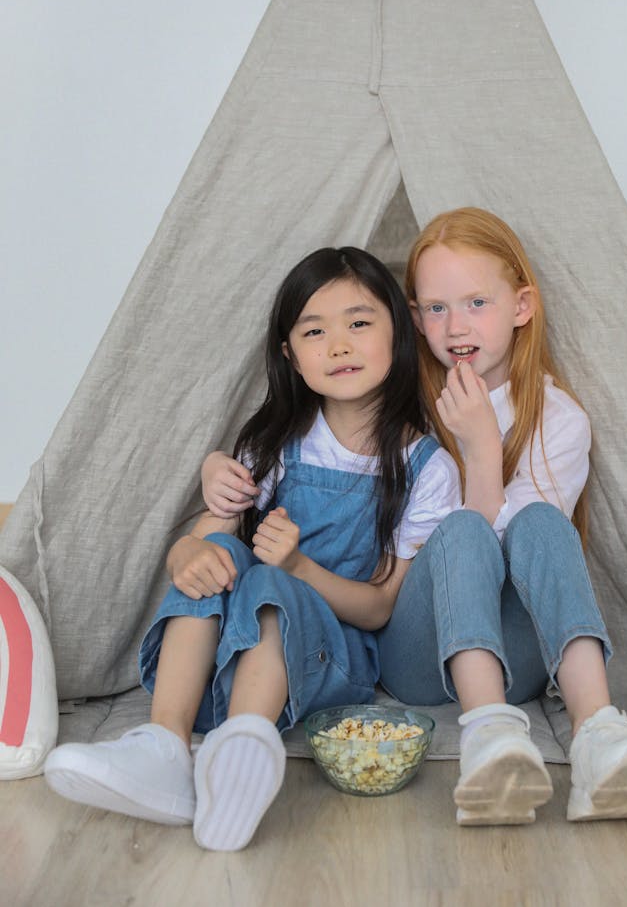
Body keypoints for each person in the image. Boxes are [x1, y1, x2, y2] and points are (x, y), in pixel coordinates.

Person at [44, 246, 461, 851]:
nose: (338, 345)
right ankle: (165, 745)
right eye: (314, 331)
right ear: (291, 355)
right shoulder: (274, 442)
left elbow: (379, 611)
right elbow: (207, 537)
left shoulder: (424, 467)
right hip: (236, 655)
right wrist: (185, 554)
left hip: (332, 658)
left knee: (267, 579)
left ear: (400, 332)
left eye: (359, 322)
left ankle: (241, 751)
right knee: (224, 557)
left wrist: (295, 565)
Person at [375, 206, 627, 825]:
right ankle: (488, 736)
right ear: (416, 318)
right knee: (462, 528)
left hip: (516, 657)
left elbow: (525, 552)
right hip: (416, 651)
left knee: (541, 522)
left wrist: (486, 446)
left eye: (476, 303)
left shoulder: (558, 418)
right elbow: (439, 552)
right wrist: (482, 452)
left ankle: (597, 730)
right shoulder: (402, 406)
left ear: (521, 307)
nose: (455, 326)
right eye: (436, 308)